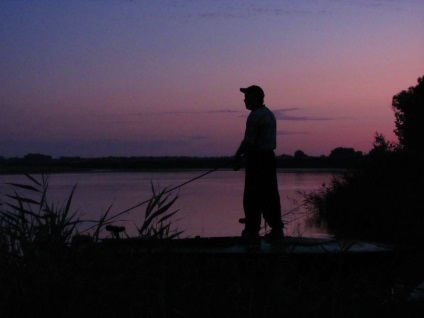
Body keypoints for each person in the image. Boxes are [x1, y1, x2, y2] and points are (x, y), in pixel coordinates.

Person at [235, 85, 284, 241]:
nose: (244, 100)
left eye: (247, 97)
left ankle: (252, 230)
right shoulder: (270, 114)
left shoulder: (255, 116)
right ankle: (276, 229)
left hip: (257, 160)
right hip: (269, 159)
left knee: (252, 196)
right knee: (270, 194)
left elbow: (249, 142)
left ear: (256, 98)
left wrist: (237, 155)